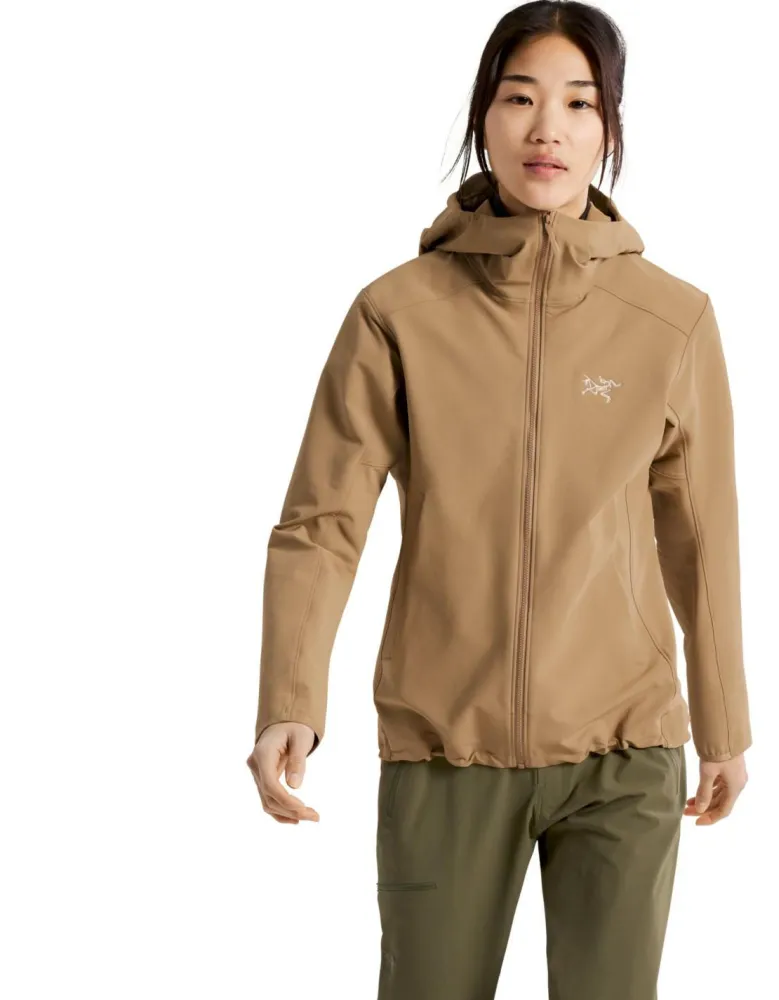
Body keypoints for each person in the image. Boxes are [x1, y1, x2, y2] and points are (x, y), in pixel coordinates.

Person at [246, 2, 752, 997]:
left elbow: (703, 536)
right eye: (520, 98)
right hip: (446, 748)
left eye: (579, 103)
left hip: (623, 749)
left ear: (610, 129)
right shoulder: (396, 313)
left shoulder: (671, 320)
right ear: (483, 116)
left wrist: (723, 721)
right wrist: (287, 701)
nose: (546, 129)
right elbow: (322, 523)